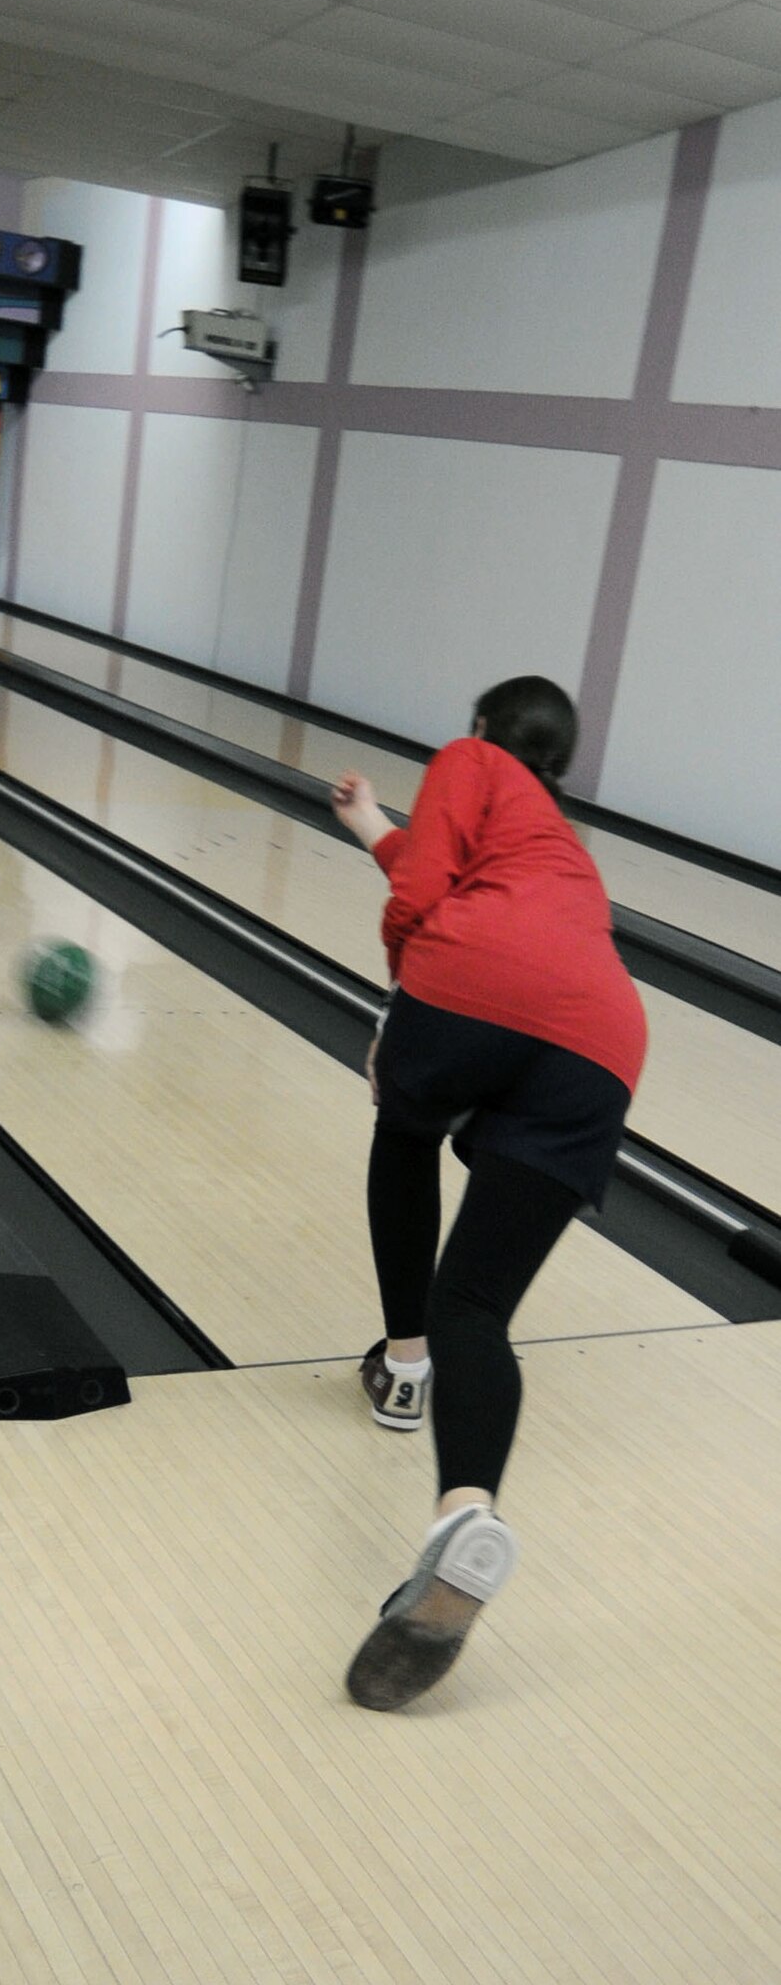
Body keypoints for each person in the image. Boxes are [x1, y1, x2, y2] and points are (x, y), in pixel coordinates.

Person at [330, 676, 646, 1711]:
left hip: (469, 987)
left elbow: (432, 894)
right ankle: (464, 1515)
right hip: (601, 1048)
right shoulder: (558, 841)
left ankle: (403, 1366)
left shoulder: (471, 761)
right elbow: (476, 881)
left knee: (402, 1120)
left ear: (482, 730)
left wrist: (400, 1004)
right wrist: (375, 824)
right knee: (480, 1304)